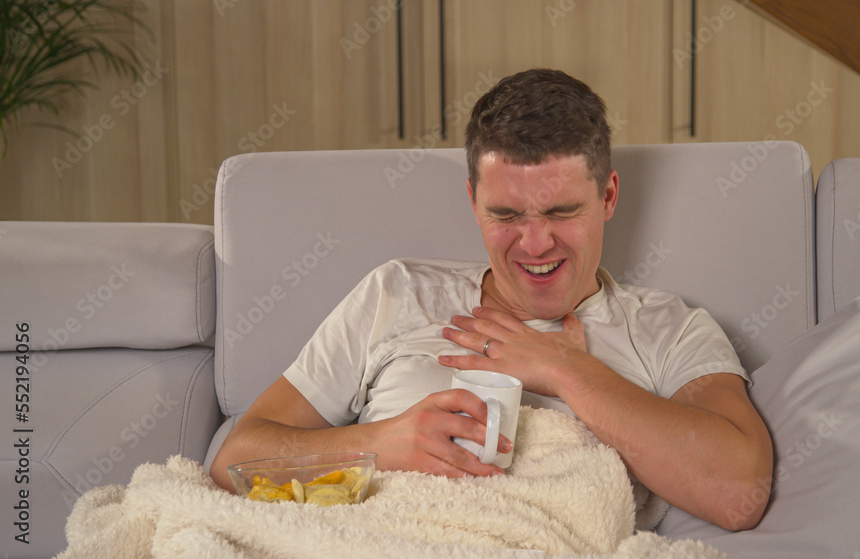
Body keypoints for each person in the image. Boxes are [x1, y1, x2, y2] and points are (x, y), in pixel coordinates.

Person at [210, 68, 773, 531]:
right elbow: (237, 458)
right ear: (473, 201)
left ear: (607, 196)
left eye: (560, 212)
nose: (534, 244)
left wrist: (566, 371)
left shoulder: (669, 329)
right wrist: (380, 443)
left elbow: (738, 493)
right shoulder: (397, 292)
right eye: (505, 215)